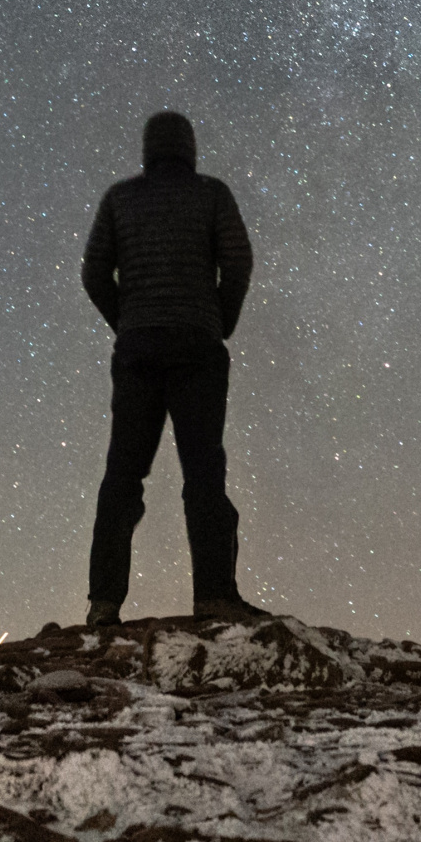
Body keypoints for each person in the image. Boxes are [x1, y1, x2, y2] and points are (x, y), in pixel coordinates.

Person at [80, 111, 274, 627]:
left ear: (148, 149)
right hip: (197, 347)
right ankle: (213, 597)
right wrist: (219, 319)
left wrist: (128, 320)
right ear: (189, 148)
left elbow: (94, 271)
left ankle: (103, 603)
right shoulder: (212, 194)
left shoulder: (120, 198)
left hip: (138, 351)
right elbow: (238, 261)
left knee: (123, 475)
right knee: (204, 472)